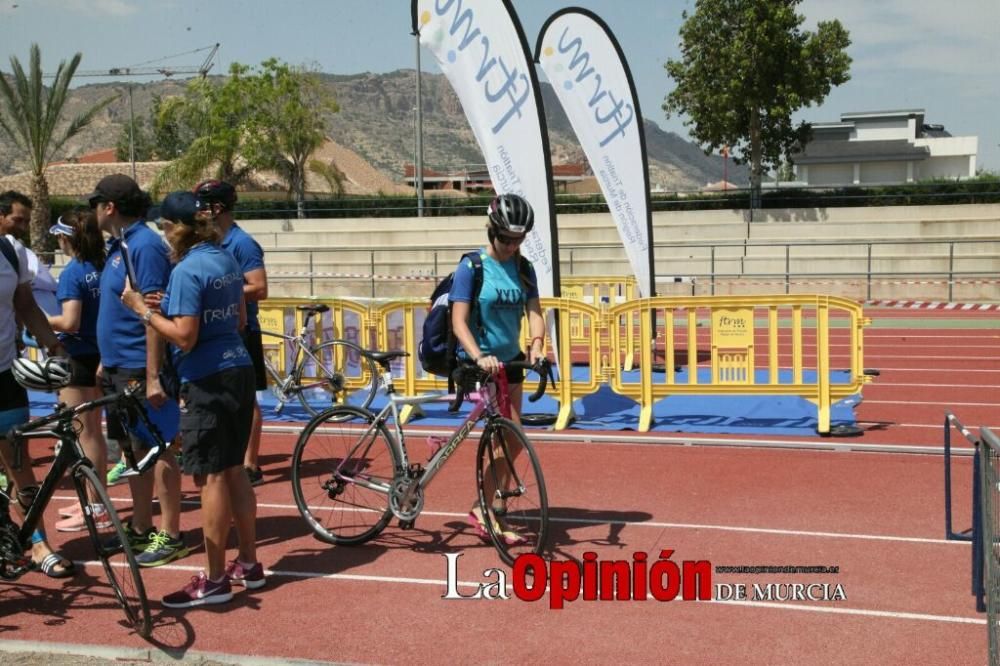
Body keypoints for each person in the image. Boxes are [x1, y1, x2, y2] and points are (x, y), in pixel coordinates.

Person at [122, 190, 262, 608]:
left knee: (213, 477)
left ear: (178, 228)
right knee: (235, 470)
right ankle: (249, 564)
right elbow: (237, 319)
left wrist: (143, 311)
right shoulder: (225, 258)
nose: (163, 236)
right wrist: (174, 307)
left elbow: (185, 335)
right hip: (238, 368)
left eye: (164, 227)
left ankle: (216, 578)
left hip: (207, 378)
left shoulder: (184, 269)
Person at [89, 174, 187, 567]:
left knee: (160, 448)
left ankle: (172, 532)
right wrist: (104, 361)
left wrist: (151, 375)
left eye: (95, 204)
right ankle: (143, 525)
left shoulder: (142, 246)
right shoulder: (122, 245)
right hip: (118, 365)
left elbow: (153, 311)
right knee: (133, 450)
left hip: (137, 366)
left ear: (109, 207)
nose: (92, 211)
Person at [448, 193, 546, 543]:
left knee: (512, 439)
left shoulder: (523, 268)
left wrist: (536, 346)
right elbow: (458, 321)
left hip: (512, 361)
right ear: (492, 231)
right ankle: (483, 507)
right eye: (505, 238)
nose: (511, 245)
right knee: (511, 433)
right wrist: (477, 355)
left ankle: (494, 498)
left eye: (518, 239)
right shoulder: (472, 266)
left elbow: (534, 311)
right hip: (481, 364)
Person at [0, 190, 74, 578]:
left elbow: (26, 305)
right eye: (17, 219)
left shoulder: (12, 255)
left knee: (20, 464)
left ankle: (38, 545)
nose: (24, 228)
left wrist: (55, 347)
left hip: (4, 374)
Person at [194, 179, 269, 487]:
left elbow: (260, 287)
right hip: (220, 330)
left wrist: (220, 292)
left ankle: (250, 462)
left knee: (246, 400)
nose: (198, 212)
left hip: (242, 329)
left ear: (217, 207)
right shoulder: (213, 242)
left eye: (203, 205)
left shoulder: (242, 243)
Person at [45, 209, 108, 531]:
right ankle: (93, 499)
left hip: (79, 355)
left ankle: (95, 507)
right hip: (102, 353)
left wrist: (36, 321)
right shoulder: (104, 264)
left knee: (86, 434)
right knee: (93, 431)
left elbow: (70, 321)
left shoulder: (73, 272)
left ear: (67, 238)